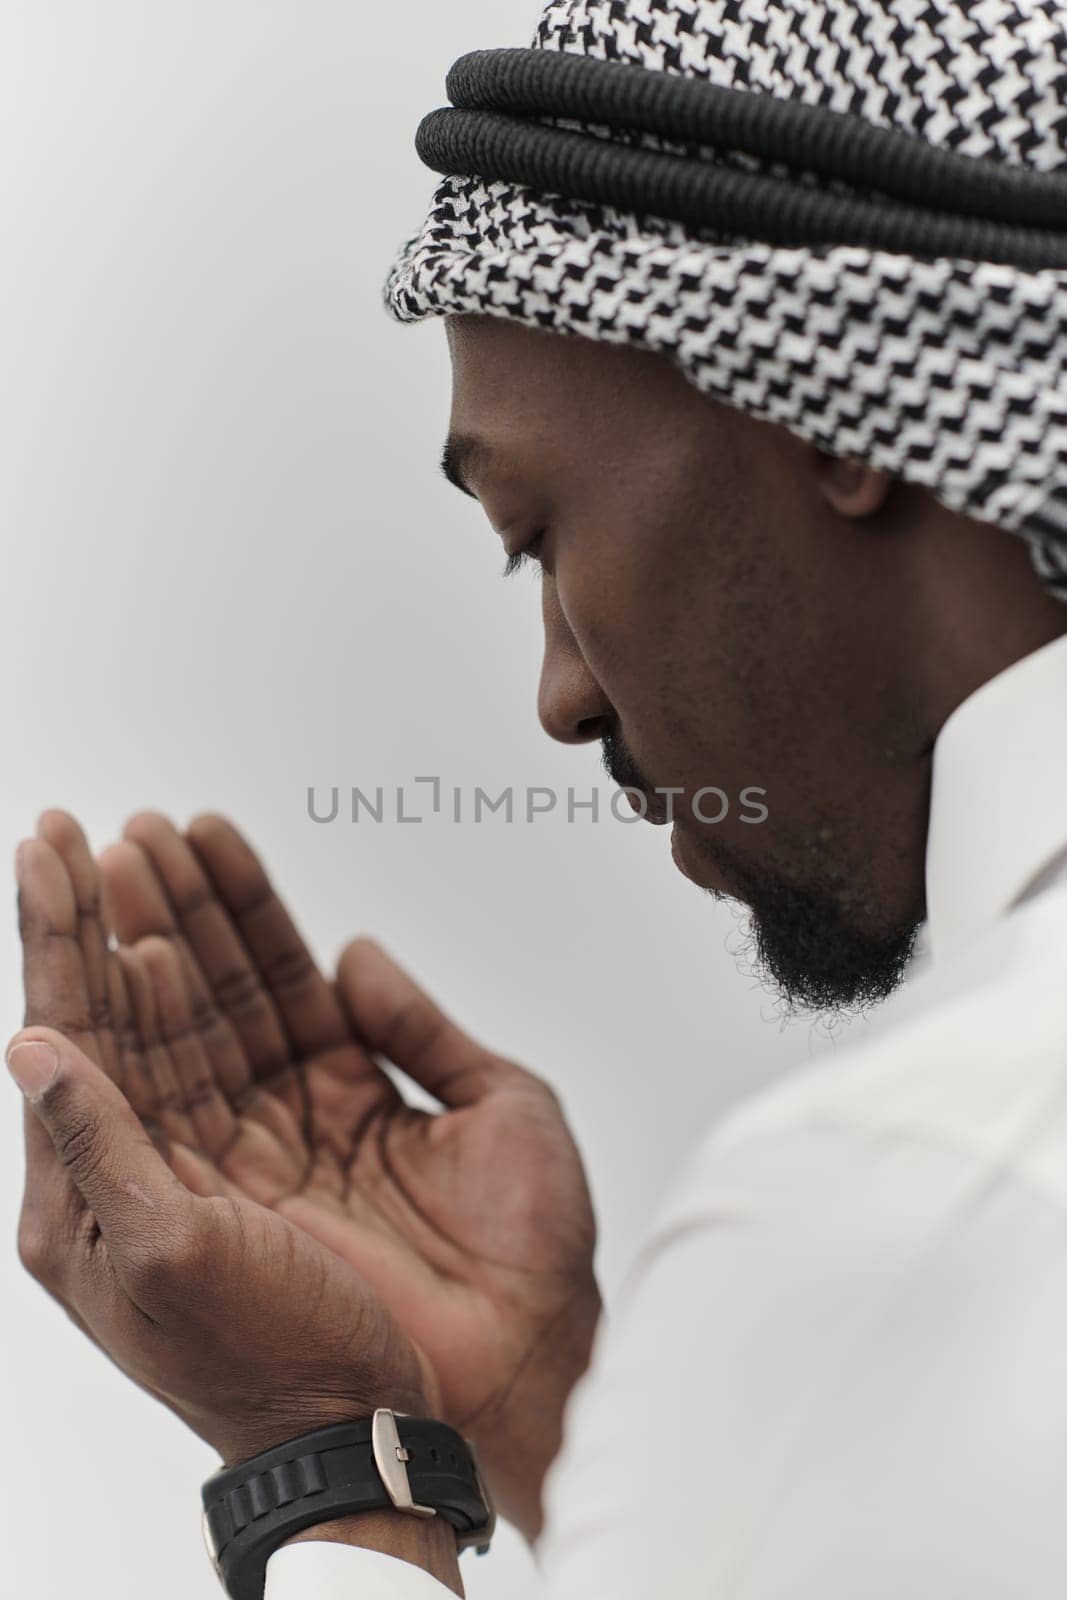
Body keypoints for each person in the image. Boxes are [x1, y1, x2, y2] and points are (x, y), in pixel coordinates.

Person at [9, 1, 1067, 1596]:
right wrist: (553, 1408)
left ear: (829, 411)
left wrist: (324, 1453)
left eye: (537, 530)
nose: (560, 692)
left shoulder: (909, 1199)